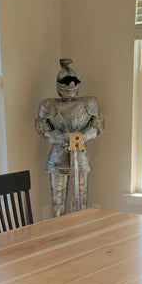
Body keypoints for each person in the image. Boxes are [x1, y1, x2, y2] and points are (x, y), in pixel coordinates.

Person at [35, 58, 104, 216]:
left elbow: (97, 126)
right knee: (57, 205)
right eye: (66, 82)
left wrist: (82, 136)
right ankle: (59, 236)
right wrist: (64, 137)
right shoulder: (47, 104)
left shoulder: (90, 102)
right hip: (58, 156)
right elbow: (43, 131)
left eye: (73, 82)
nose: (70, 86)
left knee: (82, 204)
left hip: (81, 155)